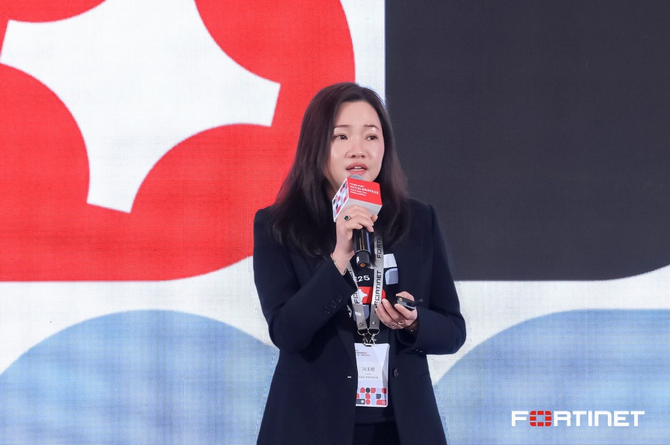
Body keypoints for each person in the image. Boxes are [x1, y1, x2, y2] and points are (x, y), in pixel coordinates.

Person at [253, 82, 466, 445]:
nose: (358, 149)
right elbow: (287, 332)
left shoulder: (418, 220)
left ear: (385, 147)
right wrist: (340, 258)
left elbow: (452, 330)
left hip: (402, 428)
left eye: (371, 136)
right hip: (310, 426)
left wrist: (414, 322)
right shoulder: (278, 226)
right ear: (316, 146)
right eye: (341, 137)